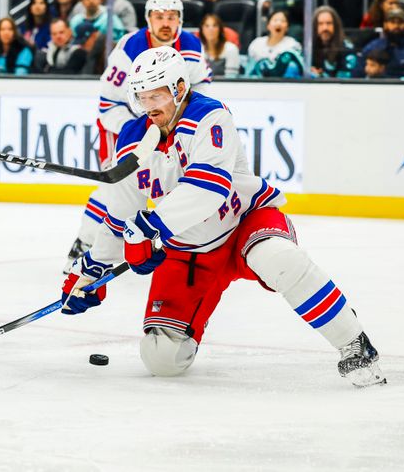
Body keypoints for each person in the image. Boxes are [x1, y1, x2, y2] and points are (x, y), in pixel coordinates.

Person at [60, 44, 386, 388]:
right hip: (188, 252)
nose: (148, 106)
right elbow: (119, 215)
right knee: (161, 359)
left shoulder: (210, 116)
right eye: (142, 97)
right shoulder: (131, 141)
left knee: (279, 259)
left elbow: (208, 188)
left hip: (244, 222)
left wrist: (149, 229)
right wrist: (90, 270)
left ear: (180, 88)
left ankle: (354, 343)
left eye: (156, 96)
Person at [64, 0, 212, 271]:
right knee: (116, 185)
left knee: (173, 182)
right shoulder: (129, 49)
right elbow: (108, 105)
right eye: (159, 17)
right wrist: (141, 133)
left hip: (170, 126)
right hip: (127, 125)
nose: (165, 23)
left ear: (180, 20)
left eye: (171, 17)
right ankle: (84, 244)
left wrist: (181, 123)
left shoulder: (192, 46)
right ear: (148, 19)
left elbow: (200, 87)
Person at [246, 10, 303, 78]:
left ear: (287, 27)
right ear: (268, 25)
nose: (278, 23)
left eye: (283, 21)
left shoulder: (292, 45)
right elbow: (249, 68)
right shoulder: (257, 43)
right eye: (275, 20)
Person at [358, 7, 404, 79]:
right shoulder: (372, 47)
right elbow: (358, 74)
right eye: (392, 22)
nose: (396, 26)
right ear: (385, 24)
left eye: (400, 22)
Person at [311, 5, 357, 78]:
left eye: (329, 23)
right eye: (320, 24)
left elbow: (345, 81)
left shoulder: (346, 49)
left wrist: (320, 77)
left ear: (336, 26)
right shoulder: (309, 47)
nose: (325, 28)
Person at [199, 13, 240, 77]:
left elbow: (231, 78)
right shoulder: (198, 49)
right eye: (207, 26)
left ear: (220, 29)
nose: (211, 29)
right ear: (202, 30)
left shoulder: (231, 49)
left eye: (214, 25)